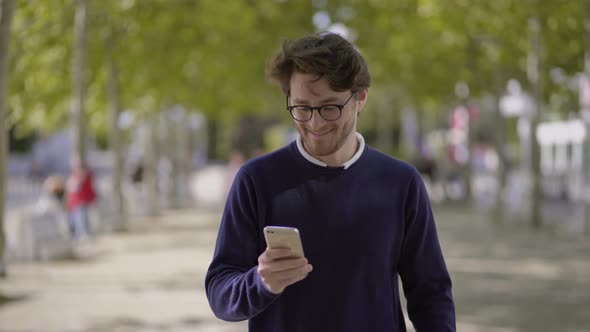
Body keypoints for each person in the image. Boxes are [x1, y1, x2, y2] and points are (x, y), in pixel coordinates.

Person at [205, 32, 455, 332]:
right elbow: (220, 293)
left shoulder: (401, 183)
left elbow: (431, 294)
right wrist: (260, 282)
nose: (315, 123)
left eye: (329, 107)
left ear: (360, 98)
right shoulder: (256, 180)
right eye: (302, 107)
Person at [66, 157, 97, 239]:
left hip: (80, 200)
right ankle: (76, 234)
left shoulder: (85, 174)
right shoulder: (75, 175)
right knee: (74, 219)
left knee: (81, 217)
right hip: (74, 201)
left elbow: (80, 186)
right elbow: (71, 188)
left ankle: (83, 233)